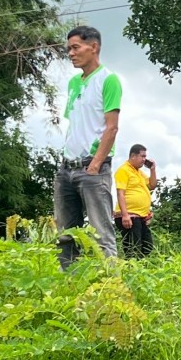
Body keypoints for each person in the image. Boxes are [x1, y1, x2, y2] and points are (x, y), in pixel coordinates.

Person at [54, 25, 121, 269]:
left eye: (75, 47)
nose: (71, 53)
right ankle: (69, 283)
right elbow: (76, 124)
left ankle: (111, 285)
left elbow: (111, 128)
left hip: (92, 167)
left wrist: (95, 164)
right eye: (69, 49)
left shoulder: (108, 80)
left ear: (93, 47)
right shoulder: (73, 83)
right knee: (65, 235)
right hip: (66, 168)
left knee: (101, 233)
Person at [113, 144, 157, 258]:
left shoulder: (138, 172)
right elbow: (120, 193)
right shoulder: (123, 170)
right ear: (133, 156)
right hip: (129, 215)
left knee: (147, 246)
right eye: (142, 156)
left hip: (140, 216)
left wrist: (152, 170)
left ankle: (140, 266)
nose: (144, 160)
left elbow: (152, 185)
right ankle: (130, 267)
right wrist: (125, 215)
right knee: (133, 248)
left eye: (145, 156)